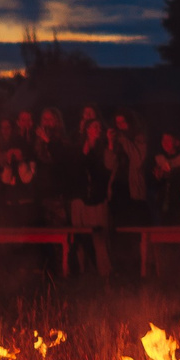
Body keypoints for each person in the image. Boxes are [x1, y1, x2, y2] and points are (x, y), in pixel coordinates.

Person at [67, 112, 116, 275]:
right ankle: (81, 274)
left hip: (97, 198)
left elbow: (109, 168)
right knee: (80, 238)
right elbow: (73, 170)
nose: (98, 129)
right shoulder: (77, 147)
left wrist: (109, 143)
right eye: (94, 127)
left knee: (100, 238)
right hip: (79, 199)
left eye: (99, 127)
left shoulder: (103, 150)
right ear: (87, 129)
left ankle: (106, 274)